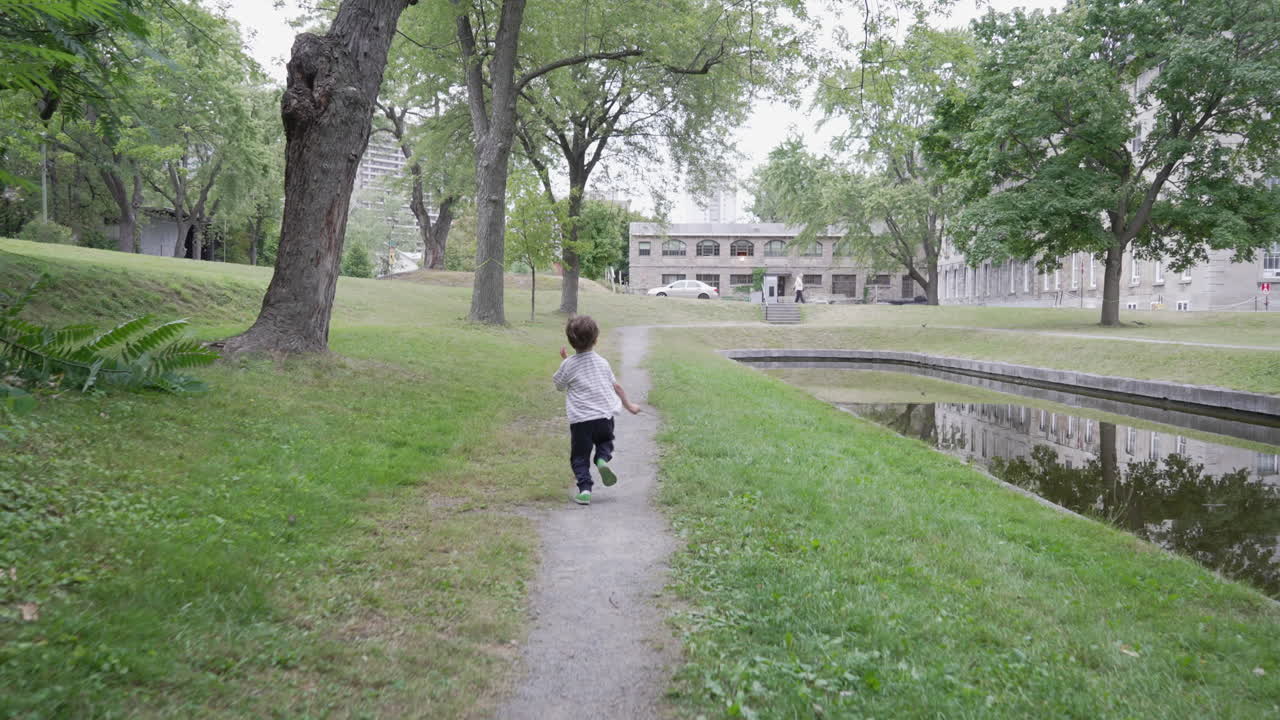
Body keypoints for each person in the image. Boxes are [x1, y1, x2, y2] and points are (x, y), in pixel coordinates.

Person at [553, 316, 641, 506]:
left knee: (579, 456)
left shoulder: (568, 365)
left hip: (581, 421)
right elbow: (616, 387)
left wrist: (565, 362)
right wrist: (630, 405)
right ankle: (601, 459)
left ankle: (585, 490)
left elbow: (559, 384)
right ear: (596, 340)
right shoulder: (602, 362)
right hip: (603, 417)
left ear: (570, 341)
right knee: (605, 441)